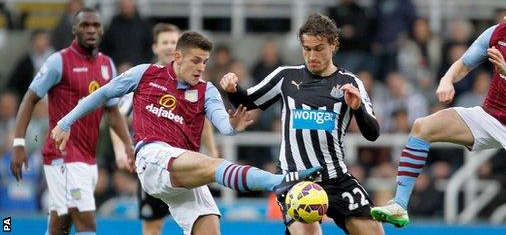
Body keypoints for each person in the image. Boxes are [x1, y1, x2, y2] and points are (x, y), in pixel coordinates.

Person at [51, 31, 323, 235]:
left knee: (210, 228)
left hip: (184, 169)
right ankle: (280, 182)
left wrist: (234, 126)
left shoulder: (207, 91)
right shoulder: (146, 74)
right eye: (195, 60)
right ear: (177, 57)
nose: (201, 68)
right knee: (211, 167)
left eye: (205, 62)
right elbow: (103, 94)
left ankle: (279, 182)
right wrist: (65, 122)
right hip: (153, 156)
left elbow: (224, 127)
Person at [370, 0, 506, 235]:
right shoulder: (497, 32)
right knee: (422, 126)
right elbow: (464, 63)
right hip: (489, 117)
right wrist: (447, 80)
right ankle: (399, 204)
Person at [220, 13, 384, 235]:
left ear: (333, 45)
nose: (312, 55)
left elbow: (373, 133)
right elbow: (247, 101)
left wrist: (357, 108)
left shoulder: (350, 82)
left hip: (335, 177)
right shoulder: (285, 77)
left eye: (319, 48)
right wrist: (232, 89)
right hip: (294, 179)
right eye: (307, 49)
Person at [10, 7, 134, 235]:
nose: (90, 30)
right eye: (85, 25)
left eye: (95, 25)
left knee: (60, 225)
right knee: (87, 223)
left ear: (102, 29)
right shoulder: (58, 61)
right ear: (74, 29)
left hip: (88, 157)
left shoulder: (107, 65)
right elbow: (29, 99)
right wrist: (19, 144)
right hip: (62, 155)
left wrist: (128, 144)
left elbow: (113, 111)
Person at [109, 22, 219, 235]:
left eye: (173, 42)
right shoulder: (144, 79)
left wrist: (212, 149)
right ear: (155, 48)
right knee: (153, 226)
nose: (169, 46)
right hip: (154, 162)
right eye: (164, 42)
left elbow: (204, 120)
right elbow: (117, 115)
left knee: (198, 221)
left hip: (184, 163)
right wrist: (120, 149)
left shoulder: (196, 82)